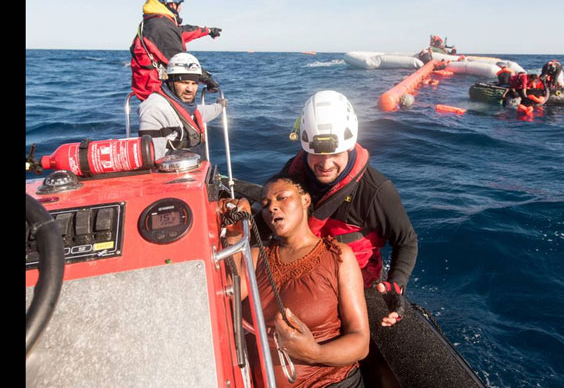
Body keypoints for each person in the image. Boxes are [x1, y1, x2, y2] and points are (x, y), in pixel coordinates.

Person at [264, 90, 418, 328]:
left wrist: (396, 284)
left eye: (335, 153)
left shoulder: (376, 190)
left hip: (353, 289)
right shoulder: (293, 174)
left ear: (348, 145)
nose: (325, 164)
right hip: (299, 278)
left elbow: (406, 241)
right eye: (316, 154)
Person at [229, 174, 370, 388]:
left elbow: (360, 342)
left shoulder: (337, 256)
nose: (272, 208)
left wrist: (314, 352)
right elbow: (227, 297)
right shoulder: (257, 256)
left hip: (331, 383)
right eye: (265, 204)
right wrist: (234, 236)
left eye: (281, 198)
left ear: (305, 200)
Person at [129, 0, 223, 100]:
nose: (181, 8)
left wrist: (208, 31)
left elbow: (181, 32)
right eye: (180, 3)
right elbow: (180, 61)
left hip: (156, 89)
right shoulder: (160, 27)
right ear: (171, 4)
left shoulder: (157, 22)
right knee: (191, 115)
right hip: (156, 93)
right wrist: (208, 80)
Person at [137, 52, 226, 159]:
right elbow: (152, 159)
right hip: (171, 171)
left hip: (192, 166)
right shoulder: (155, 109)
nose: (190, 89)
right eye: (184, 82)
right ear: (170, 82)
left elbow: (199, 113)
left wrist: (219, 106)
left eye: (194, 83)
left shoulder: (186, 106)